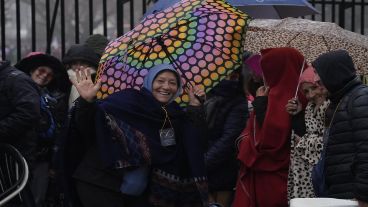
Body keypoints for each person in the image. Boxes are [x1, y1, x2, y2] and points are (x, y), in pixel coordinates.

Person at [65, 63, 208, 207]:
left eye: (172, 83)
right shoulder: (127, 100)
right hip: (101, 184)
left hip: (138, 194)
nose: (166, 87)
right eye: (160, 81)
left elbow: (191, 145)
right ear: (149, 81)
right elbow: (88, 126)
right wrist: (87, 102)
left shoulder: (172, 115)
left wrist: (195, 107)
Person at [233, 47, 307, 207]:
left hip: (276, 179)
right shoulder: (275, 92)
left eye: (267, 70)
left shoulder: (289, 96)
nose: (262, 75)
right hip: (267, 175)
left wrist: (260, 104)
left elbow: (271, 141)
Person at [312, 50, 368, 206]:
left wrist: (363, 197)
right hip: (342, 194)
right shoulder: (340, 100)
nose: (315, 80)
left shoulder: (360, 99)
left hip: (355, 197)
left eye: (318, 73)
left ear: (334, 73)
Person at [15, 52, 69, 206]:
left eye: (50, 75)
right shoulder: (17, 90)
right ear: (32, 69)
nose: (45, 76)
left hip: (42, 158)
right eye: (42, 70)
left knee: (37, 199)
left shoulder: (52, 98)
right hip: (19, 154)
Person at [204, 68, 249, 207]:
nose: (229, 80)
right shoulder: (205, 97)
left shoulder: (238, 102)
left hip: (222, 168)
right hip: (202, 166)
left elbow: (229, 138)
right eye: (224, 75)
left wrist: (203, 163)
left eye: (234, 76)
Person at [285, 66, 330, 199]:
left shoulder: (333, 108)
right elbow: (307, 133)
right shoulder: (309, 108)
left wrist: (303, 142)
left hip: (322, 178)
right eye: (305, 91)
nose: (310, 95)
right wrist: (298, 114)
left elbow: (329, 143)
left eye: (314, 87)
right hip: (304, 176)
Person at [0, 60, 40, 207]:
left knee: (17, 200)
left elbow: (29, 113)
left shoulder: (16, 79)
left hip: (15, 159)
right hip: (6, 158)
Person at [62, 44, 101, 108]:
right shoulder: (64, 79)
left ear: (89, 64)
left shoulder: (97, 80)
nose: (78, 67)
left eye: (82, 63)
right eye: (74, 63)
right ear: (70, 65)